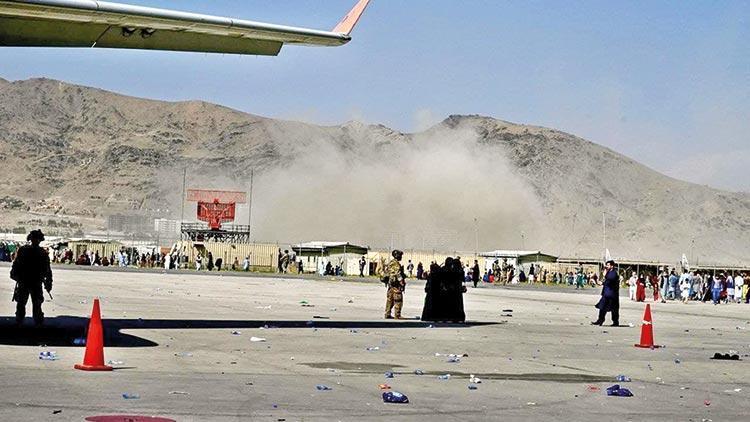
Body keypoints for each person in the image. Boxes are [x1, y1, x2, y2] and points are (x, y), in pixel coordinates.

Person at [10, 230, 53, 326]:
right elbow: (47, 270)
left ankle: (22, 321)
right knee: (27, 304)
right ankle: (28, 321)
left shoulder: (25, 250)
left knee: (28, 304)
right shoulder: (40, 252)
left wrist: (48, 282)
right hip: (31, 282)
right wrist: (48, 282)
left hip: (29, 282)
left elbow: (47, 270)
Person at [592, 260, 619, 326]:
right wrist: (597, 281)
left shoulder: (614, 272)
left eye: (608, 265)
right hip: (606, 293)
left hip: (612, 294)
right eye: (606, 265)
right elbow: (606, 282)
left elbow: (611, 279)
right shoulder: (608, 272)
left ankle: (615, 322)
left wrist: (605, 275)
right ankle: (600, 320)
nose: (606, 266)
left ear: (612, 266)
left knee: (614, 309)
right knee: (602, 307)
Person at [384, 250, 405, 319]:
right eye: (400, 255)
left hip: (390, 284)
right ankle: (397, 315)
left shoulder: (390, 263)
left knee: (390, 300)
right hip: (396, 285)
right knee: (398, 300)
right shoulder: (396, 264)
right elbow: (398, 274)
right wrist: (401, 282)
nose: (401, 257)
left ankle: (387, 314)